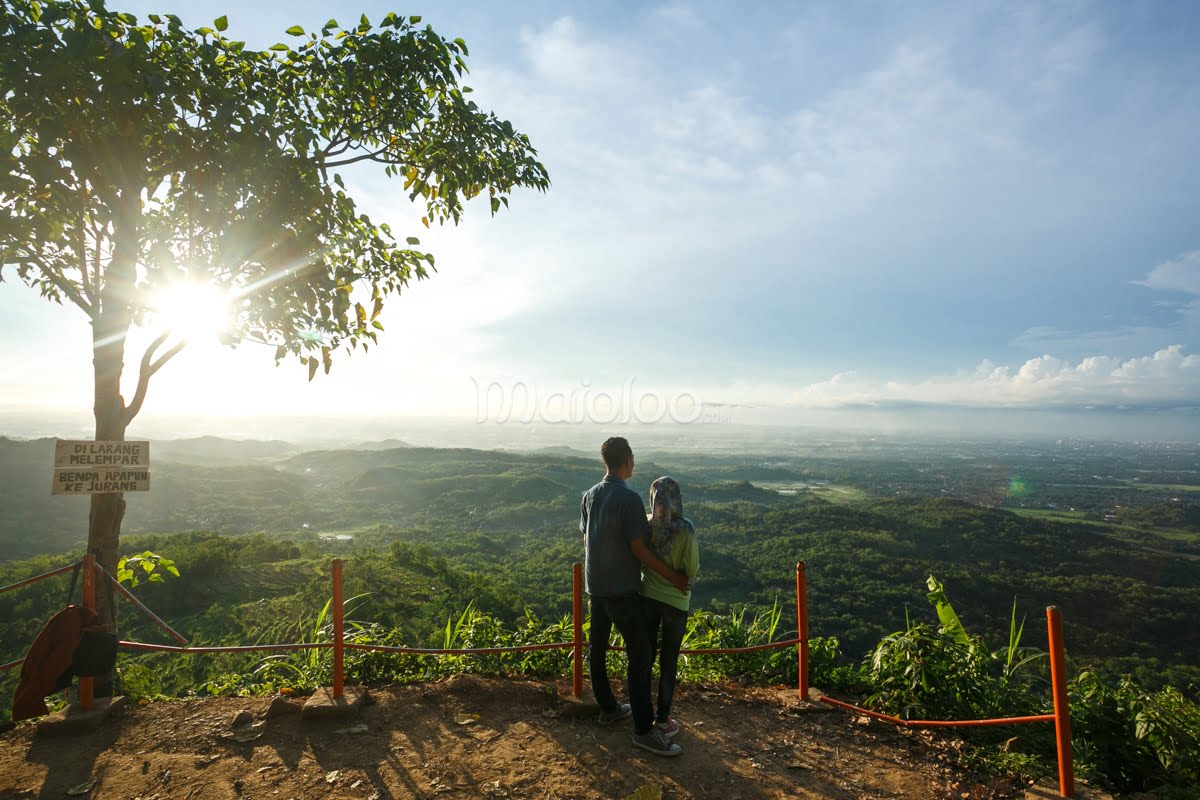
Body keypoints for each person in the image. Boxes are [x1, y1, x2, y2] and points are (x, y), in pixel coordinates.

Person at [582, 437, 688, 757]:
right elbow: (639, 549)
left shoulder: (589, 496)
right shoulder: (628, 499)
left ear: (606, 462)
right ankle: (643, 730)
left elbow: (587, 540)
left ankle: (609, 708)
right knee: (640, 656)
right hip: (621, 590)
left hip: (594, 586)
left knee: (597, 648)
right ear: (627, 460)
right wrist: (672, 576)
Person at [640, 476, 699, 739]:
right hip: (676, 602)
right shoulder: (685, 529)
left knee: (646, 657)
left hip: (648, 597)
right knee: (668, 660)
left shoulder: (644, 524)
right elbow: (692, 570)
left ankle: (642, 712)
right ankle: (662, 719)